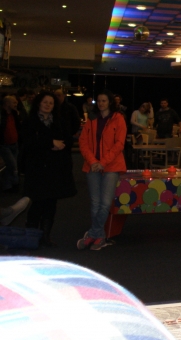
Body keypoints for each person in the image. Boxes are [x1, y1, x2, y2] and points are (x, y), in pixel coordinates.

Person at [21, 90, 77, 247]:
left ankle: (45, 236)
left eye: (51, 103)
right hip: (37, 169)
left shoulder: (59, 121)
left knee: (51, 204)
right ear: (39, 103)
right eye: (45, 102)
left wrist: (61, 145)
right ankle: (31, 236)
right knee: (37, 202)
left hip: (55, 169)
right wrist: (50, 143)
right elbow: (28, 143)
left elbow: (68, 140)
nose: (47, 105)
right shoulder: (30, 122)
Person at [77, 90, 127, 251]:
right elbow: (83, 142)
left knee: (105, 204)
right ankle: (99, 236)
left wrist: (103, 163)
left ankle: (93, 234)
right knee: (95, 203)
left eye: (104, 100)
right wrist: (93, 161)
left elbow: (119, 144)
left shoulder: (118, 119)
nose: (101, 103)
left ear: (110, 102)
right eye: (99, 101)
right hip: (92, 166)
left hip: (111, 166)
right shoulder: (92, 119)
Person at [0, 95, 21, 193]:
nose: (16, 104)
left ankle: (8, 185)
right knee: (12, 165)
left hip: (14, 143)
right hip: (4, 144)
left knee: (10, 165)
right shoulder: (2, 115)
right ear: (7, 103)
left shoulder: (14, 114)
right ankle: (14, 182)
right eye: (14, 102)